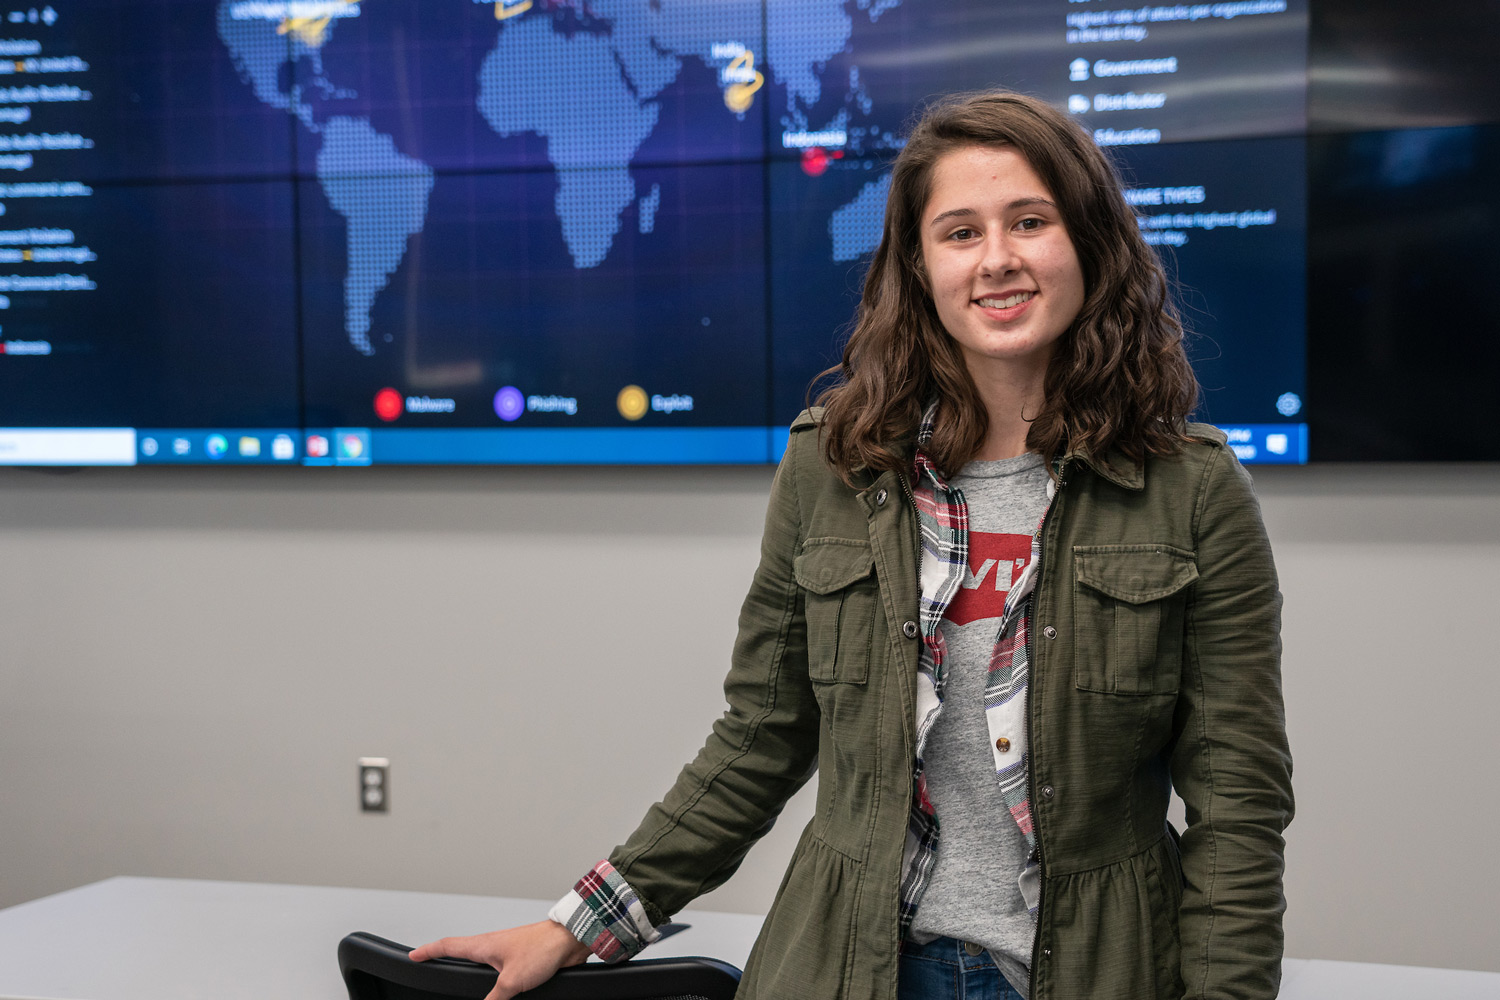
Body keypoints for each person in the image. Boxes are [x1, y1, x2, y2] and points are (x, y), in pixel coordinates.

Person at [411, 90, 1293, 1000]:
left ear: (1089, 244)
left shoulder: (1193, 491)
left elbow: (1239, 806)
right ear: (918, 266)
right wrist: (576, 927)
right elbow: (759, 738)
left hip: (1088, 970)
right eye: (959, 232)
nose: (997, 260)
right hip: (851, 967)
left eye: (1029, 221)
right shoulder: (832, 465)